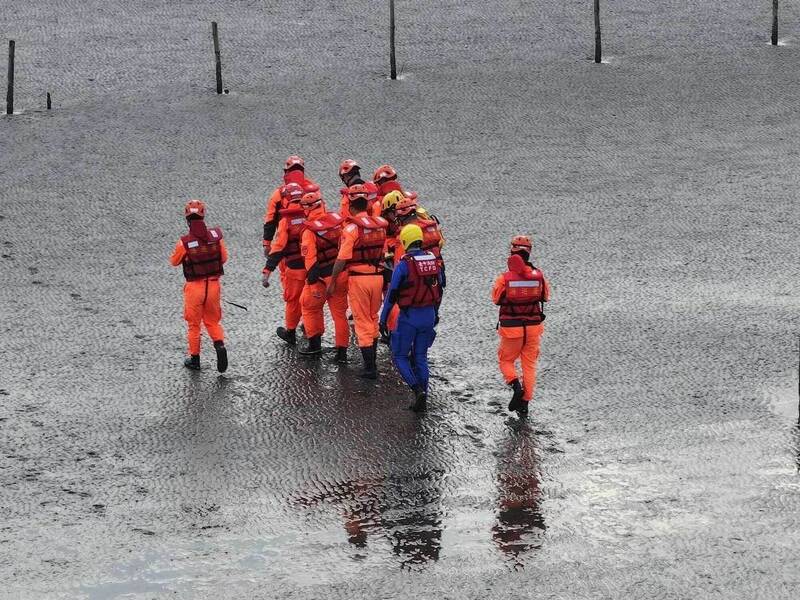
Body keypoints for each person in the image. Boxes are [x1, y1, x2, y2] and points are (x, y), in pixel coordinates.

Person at [379, 224, 443, 412]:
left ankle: (417, 391)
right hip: (429, 315)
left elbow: (392, 294)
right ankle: (424, 394)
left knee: (399, 355)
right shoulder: (433, 261)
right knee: (421, 356)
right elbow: (439, 289)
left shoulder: (404, 264)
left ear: (405, 242)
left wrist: (383, 319)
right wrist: (435, 313)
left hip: (409, 316)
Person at [327, 184, 389, 379]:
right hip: (377, 277)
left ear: (352, 208)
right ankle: (373, 362)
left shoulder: (352, 229)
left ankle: (370, 368)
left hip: (359, 280)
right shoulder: (380, 225)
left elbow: (342, 259)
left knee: (361, 321)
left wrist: (333, 281)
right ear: (367, 206)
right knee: (372, 318)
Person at [491, 235, 550, 416]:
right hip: (533, 328)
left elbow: (496, 299)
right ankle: (525, 403)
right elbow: (545, 297)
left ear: (512, 251)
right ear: (529, 252)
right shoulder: (539, 276)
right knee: (529, 365)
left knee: (506, 360)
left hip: (511, 329)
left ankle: (515, 386)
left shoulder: (504, 278)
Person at [169, 200, 229, 372]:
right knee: (212, 321)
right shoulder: (216, 238)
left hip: (194, 288)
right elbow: (223, 258)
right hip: (213, 285)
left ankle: (195, 359)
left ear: (187, 219)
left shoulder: (185, 242)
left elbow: (174, 261)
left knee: (194, 324)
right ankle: (220, 346)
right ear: (203, 215)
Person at [298, 190, 350, 361]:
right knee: (340, 315)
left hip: (320, 279)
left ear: (308, 208)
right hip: (341, 275)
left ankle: (315, 345)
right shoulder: (337, 222)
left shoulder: (309, 231)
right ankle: (342, 352)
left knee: (310, 308)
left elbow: (310, 261)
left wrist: (313, 284)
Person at [262, 185, 308, 344]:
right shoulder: (312, 215)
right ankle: (311, 332)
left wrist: (267, 270)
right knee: (310, 302)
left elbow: (279, 247)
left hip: (294, 269)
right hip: (312, 267)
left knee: (292, 301)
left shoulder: (286, 221)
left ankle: (290, 332)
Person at [263, 155, 318, 255]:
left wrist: (267, 244)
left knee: (288, 270)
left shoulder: (279, 193)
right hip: (311, 241)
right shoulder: (314, 191)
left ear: (286, 172)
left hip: (287, 243)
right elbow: (321, 215)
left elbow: (270, 220)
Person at [393, 196, 446, 287]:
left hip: (417, 279)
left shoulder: (405, 234)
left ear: (402, 218)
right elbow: (441, 243)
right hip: (437, 272)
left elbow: (398, 264)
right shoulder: (429, 226)